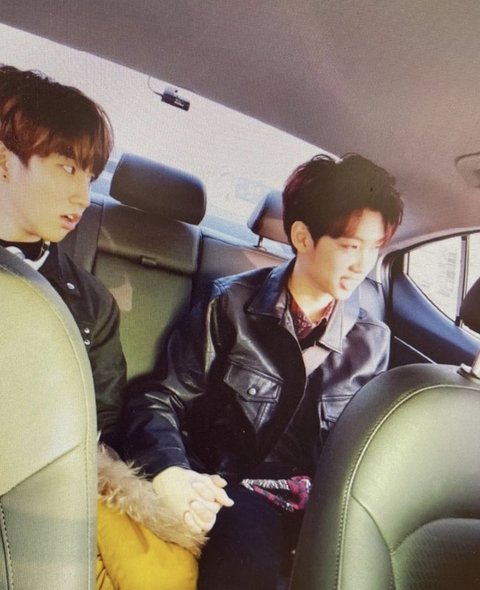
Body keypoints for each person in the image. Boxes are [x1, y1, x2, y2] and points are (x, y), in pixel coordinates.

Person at [122, 153, 404, 590]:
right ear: (303, 237)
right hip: (238, 492)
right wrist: (169, 471)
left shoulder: (372, 341)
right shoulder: (229, 306)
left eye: (374, 248)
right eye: (351, 247)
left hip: (323, 507)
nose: (362, 265)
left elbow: (366, 451)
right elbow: (161, 397)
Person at [0, 65, 199, 590]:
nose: (83, 197)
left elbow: (103, 416)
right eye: (67, 168)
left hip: (52, 477)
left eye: (89, 177)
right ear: (4, 161)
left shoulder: (90, 301)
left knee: (168, 571)